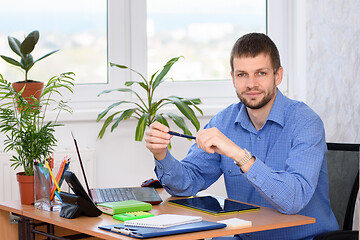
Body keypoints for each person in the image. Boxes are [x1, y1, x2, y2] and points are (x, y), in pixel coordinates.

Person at [144, 33, 338, 239]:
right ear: (233, 78)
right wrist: (161, 154)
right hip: (245, 236)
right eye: (242, 74)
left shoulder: (306, 122)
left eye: (261, 73)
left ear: (278, 76)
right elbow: (186, 185)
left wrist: (237, 153)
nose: (251, 84)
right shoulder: (223, 122)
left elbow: (293, 199)